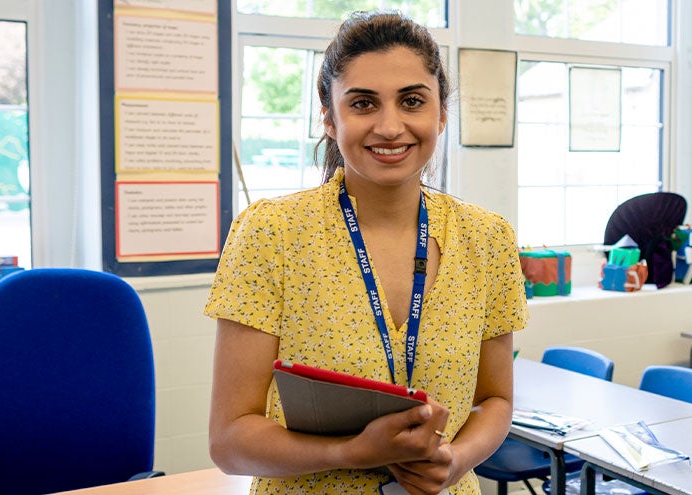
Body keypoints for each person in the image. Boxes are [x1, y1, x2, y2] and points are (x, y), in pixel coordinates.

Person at [204, 11, 527, 495]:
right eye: (363, 104)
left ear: (440, 114)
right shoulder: (271, 233)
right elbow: (230, 441)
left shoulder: (488, 238)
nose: (390, 126)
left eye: (412, 101)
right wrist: (350, 452)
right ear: (330, 119)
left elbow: (495, 399)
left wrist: (457, 460)